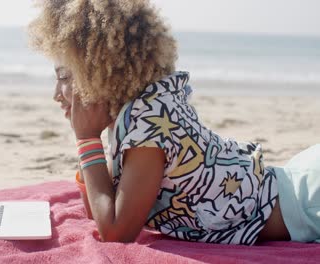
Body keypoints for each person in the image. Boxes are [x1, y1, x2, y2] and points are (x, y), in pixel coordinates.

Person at [28, 0, 320, 245]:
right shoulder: (143, 109)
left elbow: (116, 231)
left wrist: (86, 139)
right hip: (294, 183)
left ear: (96, 71)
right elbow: (97, 208)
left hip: (307, 202)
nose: (56, 93)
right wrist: (89, 139)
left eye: (65, 77)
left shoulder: (149, 124)